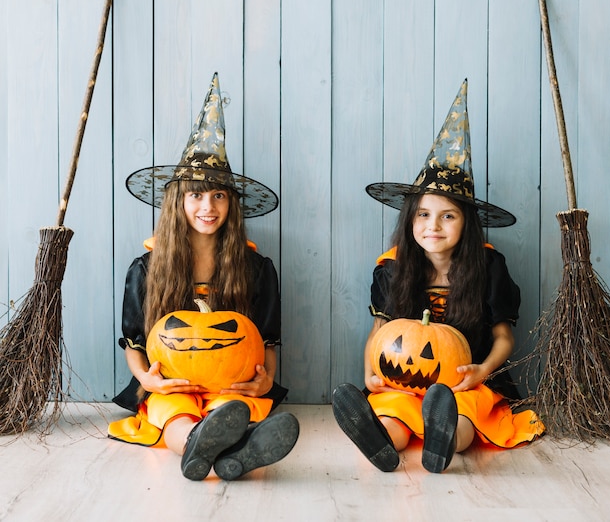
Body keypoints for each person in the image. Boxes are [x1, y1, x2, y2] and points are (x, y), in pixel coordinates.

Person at [332, 80, 544, 474]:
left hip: (467, 380)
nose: (434, 226)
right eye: (424, 215)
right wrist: (370, 374)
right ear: (410, 220)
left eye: (448, 216)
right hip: (405, 379)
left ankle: (443, 443)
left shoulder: (489, 267)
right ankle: (380, 443)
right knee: (394, 413)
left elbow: (503, 337)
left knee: (462, 416)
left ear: (466, 224)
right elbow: (380, 330)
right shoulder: (392, 268)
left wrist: (482, 370)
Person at [108, 73, 299, 481]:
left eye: (218, 195)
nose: (207, 207)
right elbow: (133, 341)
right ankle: (212, 447)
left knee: (232, 410)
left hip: (230, 384)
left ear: (231, 203)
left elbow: (267, 341)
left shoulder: (256, 269)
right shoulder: (146, 268)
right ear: (178, 201)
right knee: (171, 415)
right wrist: (147, 380)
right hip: (172, 384)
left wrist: (265, 380)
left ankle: (222, 444)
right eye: (195, 194)